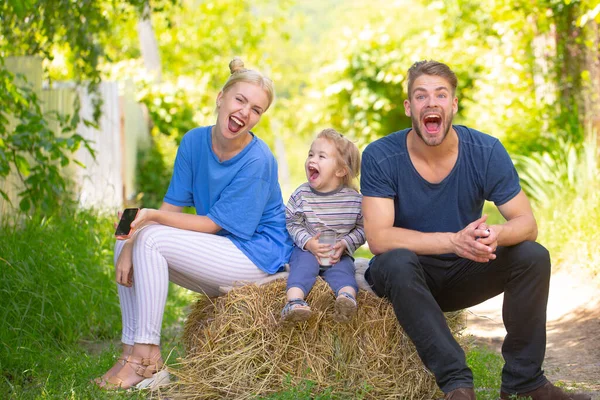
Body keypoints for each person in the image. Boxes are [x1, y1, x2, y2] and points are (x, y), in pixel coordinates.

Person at [359, 60, 591, 400]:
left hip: (463, 273)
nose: (431, 103)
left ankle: (525, 382)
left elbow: (526, 224)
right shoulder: (381, 155)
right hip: (408, 281)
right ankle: (457, 384)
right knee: (395, 261)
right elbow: (379, 238)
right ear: (409, 107)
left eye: (441, 94)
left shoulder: (485, 150)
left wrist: (494, 235)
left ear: (453, 105)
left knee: (532, 255)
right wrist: (453, 240)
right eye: (421, 96)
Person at [95, 58, 293, 390]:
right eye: (240, 100)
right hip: (219, 252)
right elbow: (172, 205)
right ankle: (131, 353)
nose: (245, 113)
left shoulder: (259, 159)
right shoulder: (193, 142)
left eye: (256, 109)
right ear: (221, 98)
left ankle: (147, 360)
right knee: (127, 232)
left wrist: (152, 219)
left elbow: (213, 225)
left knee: (152, 236)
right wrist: (130, 240)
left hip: (259, 258)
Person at [281, 128, 365, 323]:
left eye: (321, 156)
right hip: (307, 251)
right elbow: (292, 222)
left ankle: (346, 299)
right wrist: (309, 243)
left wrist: (345, 244)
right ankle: (294, 302)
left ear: (341, 170)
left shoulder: (354, 200)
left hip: (336, 254)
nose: (312, 160)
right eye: (311, 154)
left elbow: (363, 229)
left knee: (345, 272)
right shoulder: (301, 194)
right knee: (302, 268)